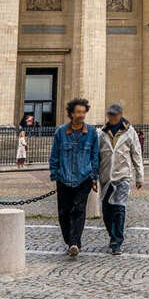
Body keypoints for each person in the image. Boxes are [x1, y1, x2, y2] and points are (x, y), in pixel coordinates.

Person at [49, 98, 100, 257]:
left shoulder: (91, 133)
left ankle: (74, 242)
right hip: (64, 178)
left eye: (83, 112)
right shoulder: (60, 132)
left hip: (83, 177)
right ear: (71, 113)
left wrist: (94, 177)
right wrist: (55, 174)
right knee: (64, 212)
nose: (82, 115)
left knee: (78, 209)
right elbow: (54, 155)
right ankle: (69, 239)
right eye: (78, 112)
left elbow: (95, 156)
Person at [98, 104, 143, 256]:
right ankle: (113, 235)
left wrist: (139, 176)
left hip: (122, 175)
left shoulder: (130, 132)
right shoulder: (101, 133)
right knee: (106, 210)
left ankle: (117, 241)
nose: (112, 117)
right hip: (105, 177)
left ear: (120, 115)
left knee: (119, 208)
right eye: (110, 115)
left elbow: (136, 153)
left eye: (114, 115)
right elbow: (96, 155)